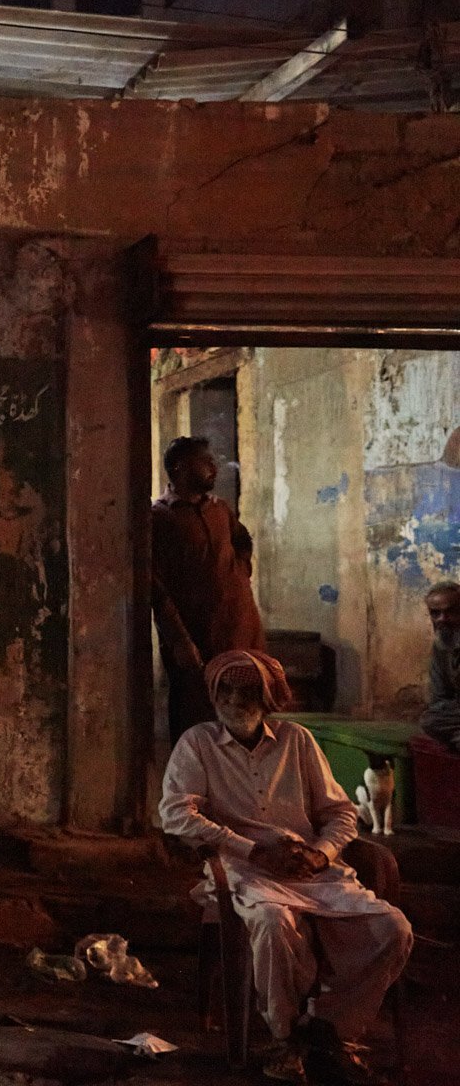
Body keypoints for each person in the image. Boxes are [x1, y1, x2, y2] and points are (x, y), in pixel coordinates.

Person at [160, 651, 412, 1086]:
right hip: (246, 870)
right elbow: (175, 815)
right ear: (214, 694)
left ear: (267, 697)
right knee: (274, 921)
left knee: (393, 929)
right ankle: (284, 1038)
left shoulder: (297, 740)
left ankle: (330, 1029)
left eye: (247, 690)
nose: (235, 698)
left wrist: (321, 853)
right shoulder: (197, 743)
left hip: (310, 870)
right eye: (226, 689)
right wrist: (252, 850)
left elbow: (341, 812)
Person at [151, 435, 268, 743]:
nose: (214, 467)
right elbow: (156, 586)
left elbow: (242, 540)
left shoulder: (219, 510)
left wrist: (240, 574)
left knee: (247, 715)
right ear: (179, 468)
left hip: (241, 631)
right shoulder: (160, 517)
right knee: (198, 722)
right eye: (205, 462)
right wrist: (178, 640)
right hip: (200, 639)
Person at [420, 580, 460, 752]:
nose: (442, 619)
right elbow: (440, 696)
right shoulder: (441, 646)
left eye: (450, 611)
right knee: (430, 720)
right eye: (435, 613)